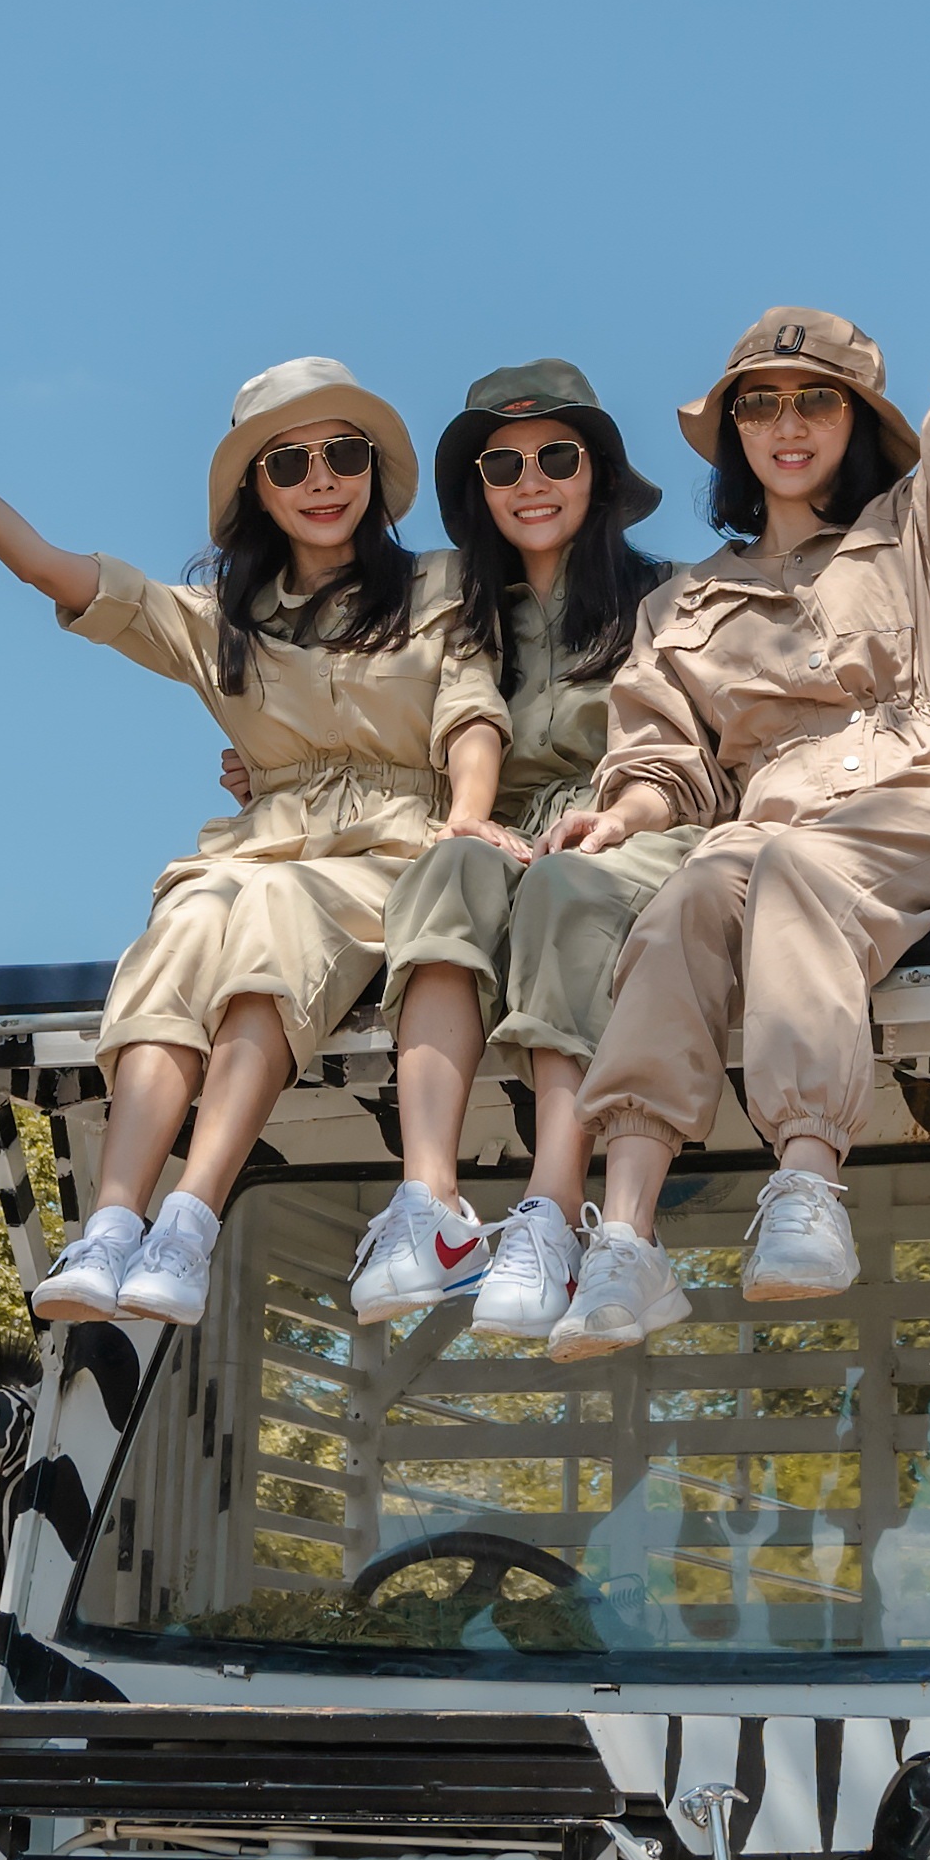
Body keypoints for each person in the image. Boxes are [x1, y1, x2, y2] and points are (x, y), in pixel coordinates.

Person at [541, 75, 930, 1348]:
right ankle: (626, 1239)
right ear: (733, 437)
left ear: (853, 423)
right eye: (758, 405)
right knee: (691, 895)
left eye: (811, 401)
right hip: (760, 828)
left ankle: (808, 1174)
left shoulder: (915, 535)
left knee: (789, 873)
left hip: (919, 799)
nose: (784, 425)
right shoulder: (686, 601)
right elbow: (665, 759)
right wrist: (622, 813)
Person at [0, 351, 452, 1330]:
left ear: (373, 471)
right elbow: (44, 563)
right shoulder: (219, 626)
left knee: (261, 922)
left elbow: (510, 717)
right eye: (287, 463)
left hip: (395, 850)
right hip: (256, 848)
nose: (320, 480)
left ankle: (189, 1219)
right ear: (255, 490)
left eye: (340, 453)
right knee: (184, 926)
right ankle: (116, 1223)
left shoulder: (445, 591)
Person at [350, 360, 687, 1344]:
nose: (530, 481)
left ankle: (550, 1208)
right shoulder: (443, 615)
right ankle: (432, 1205)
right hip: (497, 823)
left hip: (638, 817)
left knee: (563, 890)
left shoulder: (668, 598)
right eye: (501, 466)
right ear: (476, 490)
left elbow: (705, 738)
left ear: (598, 471)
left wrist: (616, 814)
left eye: (554, 457)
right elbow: (346, 717)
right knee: (444, 870)